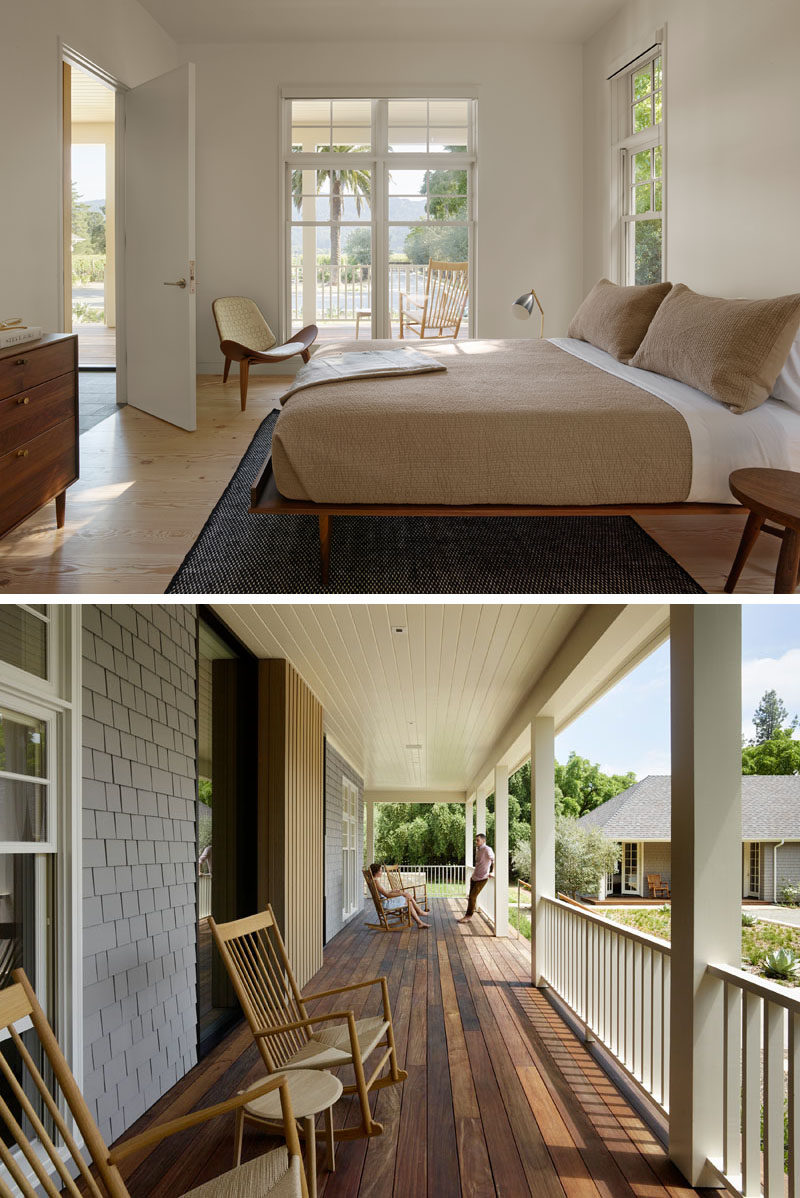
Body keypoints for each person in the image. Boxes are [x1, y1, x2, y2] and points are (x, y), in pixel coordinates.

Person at [368, 863, 430, 928]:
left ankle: (420, 921)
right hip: (386, 903)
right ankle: (420, 913)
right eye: (380, 871)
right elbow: (387, 895)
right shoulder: (376, 882)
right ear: (375, 872)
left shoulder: (373, 881)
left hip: (384, 901)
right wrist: (402, 893)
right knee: (407, 896)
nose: (381, 872)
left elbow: (383, 892)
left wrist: (393, 891)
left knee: (409, 901)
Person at [459, 833, 494, 923]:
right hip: (474, 877)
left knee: (472, 897)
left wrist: (492, 872)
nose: (476, 842)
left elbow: (494, 859)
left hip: (482, 878)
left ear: (483, 840)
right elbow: (478, 863)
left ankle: (468, 916)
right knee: (471, 897)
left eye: (478, 840)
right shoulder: (478, 850)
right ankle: (469, 913)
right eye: (476, 840)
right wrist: (472, 876)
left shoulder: (487, 849)